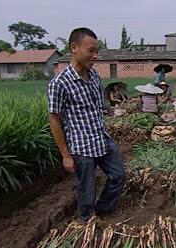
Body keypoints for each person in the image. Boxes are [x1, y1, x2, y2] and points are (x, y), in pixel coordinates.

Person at [48, 27, 125, 222]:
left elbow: (96, 107)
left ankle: (103, 211)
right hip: (82, 147)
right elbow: (55, 119)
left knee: (118, 176)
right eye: (91, 50)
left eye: (96, 51)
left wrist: (111, 111)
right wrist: (65, 154)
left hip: (102, 139)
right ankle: (87, 220)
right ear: (74, 47)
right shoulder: (60, 83)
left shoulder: (95, 77)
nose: (95, 55)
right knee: (87, 189)